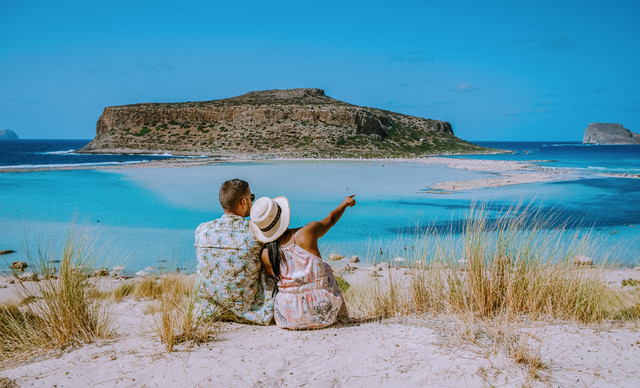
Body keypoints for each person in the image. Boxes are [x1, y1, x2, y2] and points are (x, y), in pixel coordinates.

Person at [249, 194, 355, 329]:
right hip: (324, 313)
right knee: (325, 268)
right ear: (282, 216)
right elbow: (331, 219)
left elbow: (275, 279)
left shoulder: (265, 254)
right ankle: (338, 314)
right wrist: (345, 203)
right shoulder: (307, 232)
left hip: (288, 317)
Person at [194, 179, 275, 324]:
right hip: (250, 310)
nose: (252, 202)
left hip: (208, 310)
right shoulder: (255, 231)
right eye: (252, 198)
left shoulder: (202, 230)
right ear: (243, 202)